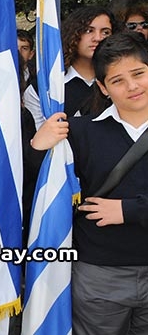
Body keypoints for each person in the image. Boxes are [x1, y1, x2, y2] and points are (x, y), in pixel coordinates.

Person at [30, 32, 148, 335]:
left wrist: (130, 211)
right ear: (103, 88)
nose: (132, 86)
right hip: (99, 275)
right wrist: (36, 147)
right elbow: (42, 188)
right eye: (118, 80)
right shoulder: (80, 132)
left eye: (139, 74)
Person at [24, 6, 121, 128]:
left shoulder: (124, 81)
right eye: (88, 30)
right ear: (73, 34)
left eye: (105, 32)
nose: (98, 38)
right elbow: (37, 137)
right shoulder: (44, 88)